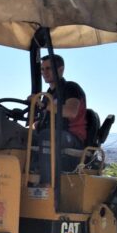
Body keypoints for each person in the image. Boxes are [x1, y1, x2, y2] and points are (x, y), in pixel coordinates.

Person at [34, 54, 87, 185]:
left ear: (60, 69)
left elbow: (71, 111)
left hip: (72, 138)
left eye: (48, 68)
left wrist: (45, 105)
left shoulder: (70, 88)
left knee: (47, 136)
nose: (44, 72)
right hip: (54, 135)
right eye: (42, 69)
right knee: (21, 136)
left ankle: (47, 186)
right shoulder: (48, 95)